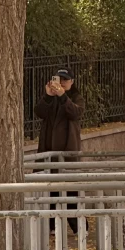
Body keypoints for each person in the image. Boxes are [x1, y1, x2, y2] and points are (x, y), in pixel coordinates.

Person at [35, 69, 83, 232]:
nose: (62, 83)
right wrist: (48, 95)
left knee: (71, 190)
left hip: (68, 150)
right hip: (49, 149)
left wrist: (63, 96)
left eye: (65, 80)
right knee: (51, 190)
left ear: (72, 82)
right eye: (59, 79)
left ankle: (78, 226)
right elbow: (39, 112)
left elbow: (75, 113)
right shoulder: (51, 99)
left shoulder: (75, 97)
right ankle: (51, 226)